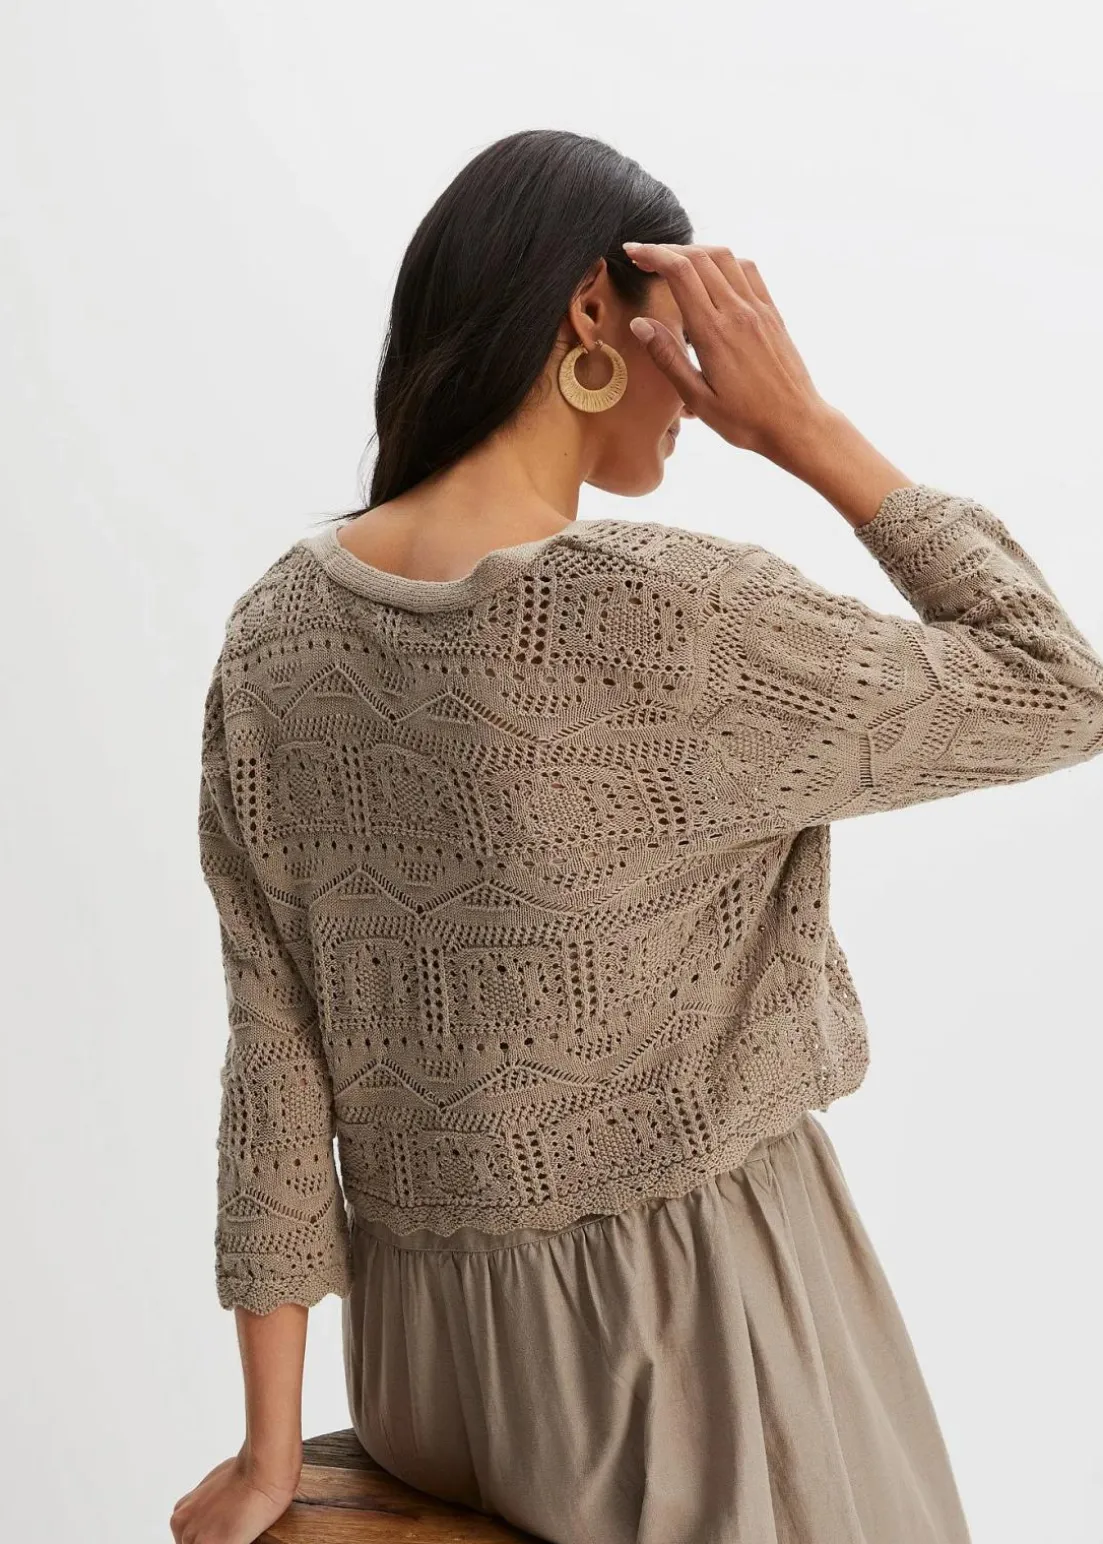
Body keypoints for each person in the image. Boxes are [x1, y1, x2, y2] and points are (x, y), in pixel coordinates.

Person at [172, 129, 1103, 1544]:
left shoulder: (275, 638)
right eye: (694, 336)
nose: (702, 387)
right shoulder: (664, 614)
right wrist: (802, 426)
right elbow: (1060, 689)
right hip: (674, 1347)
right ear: (592, 314)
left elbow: (274, 1058)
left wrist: (265, 1448)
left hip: (425, 1372)